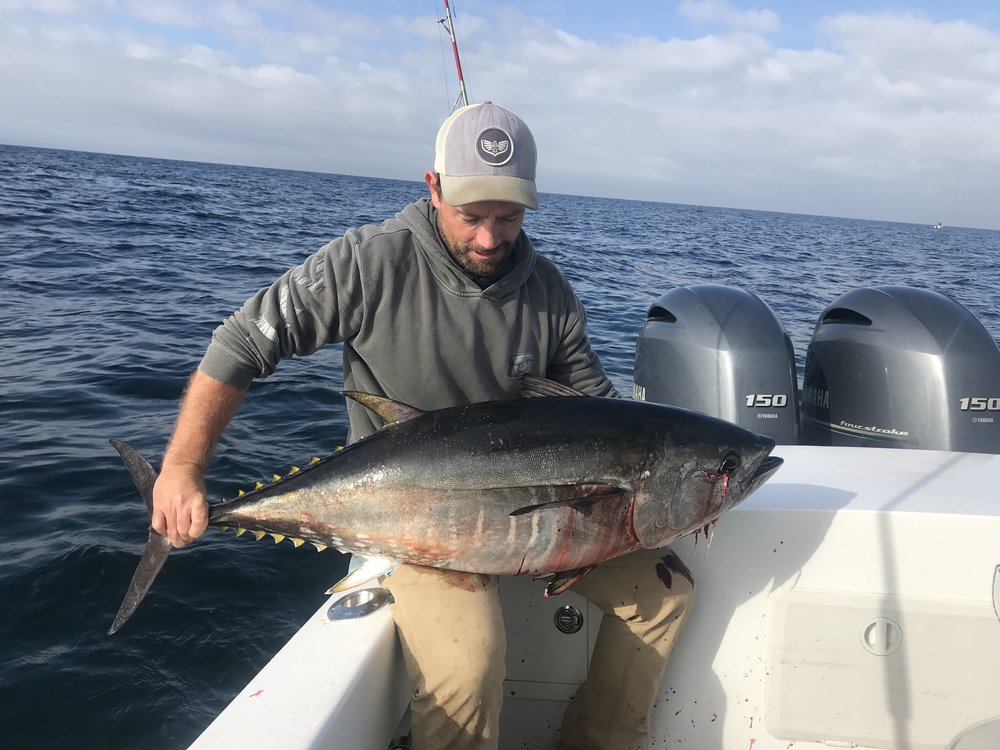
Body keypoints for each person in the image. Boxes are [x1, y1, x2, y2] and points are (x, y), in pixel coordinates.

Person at [152, 101, 694, 750]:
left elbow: (604, 419)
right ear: (432, 187)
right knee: (469, 665)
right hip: (409, 518)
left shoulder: (549, 294)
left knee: (666, 594)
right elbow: (241, 345)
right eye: (472, 217)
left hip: (539, 518)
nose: (492, 239)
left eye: (510, 217)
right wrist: (183, 469)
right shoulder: (369, 262)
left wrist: (684, 482)